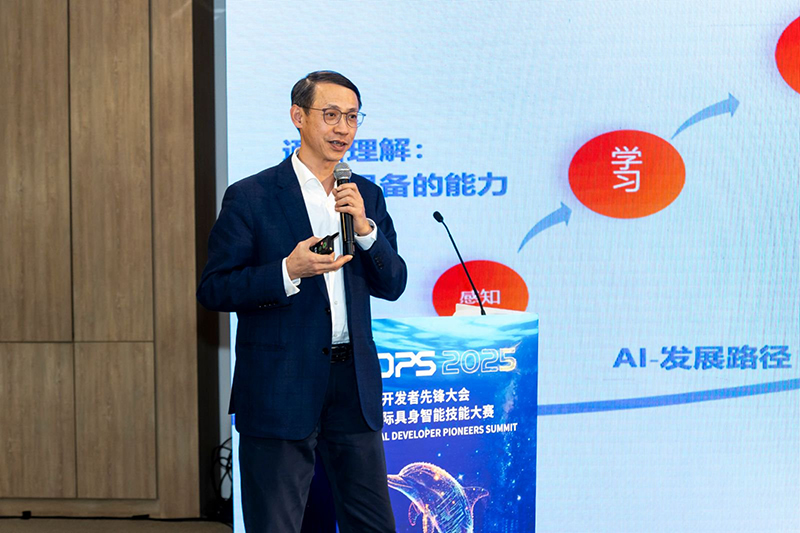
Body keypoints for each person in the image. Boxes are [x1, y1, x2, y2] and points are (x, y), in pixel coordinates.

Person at [197, 71, 406, 532]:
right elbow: (214, 288)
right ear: (298, 116)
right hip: (280, 388)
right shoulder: (251, 196)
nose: (343, 129)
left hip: (352, 386)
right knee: (277, 525)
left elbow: (393, 284)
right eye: (330, 115)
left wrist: (366, 231)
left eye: (352, 117)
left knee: (374, 524)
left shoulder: (366, 196)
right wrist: (287, 271)